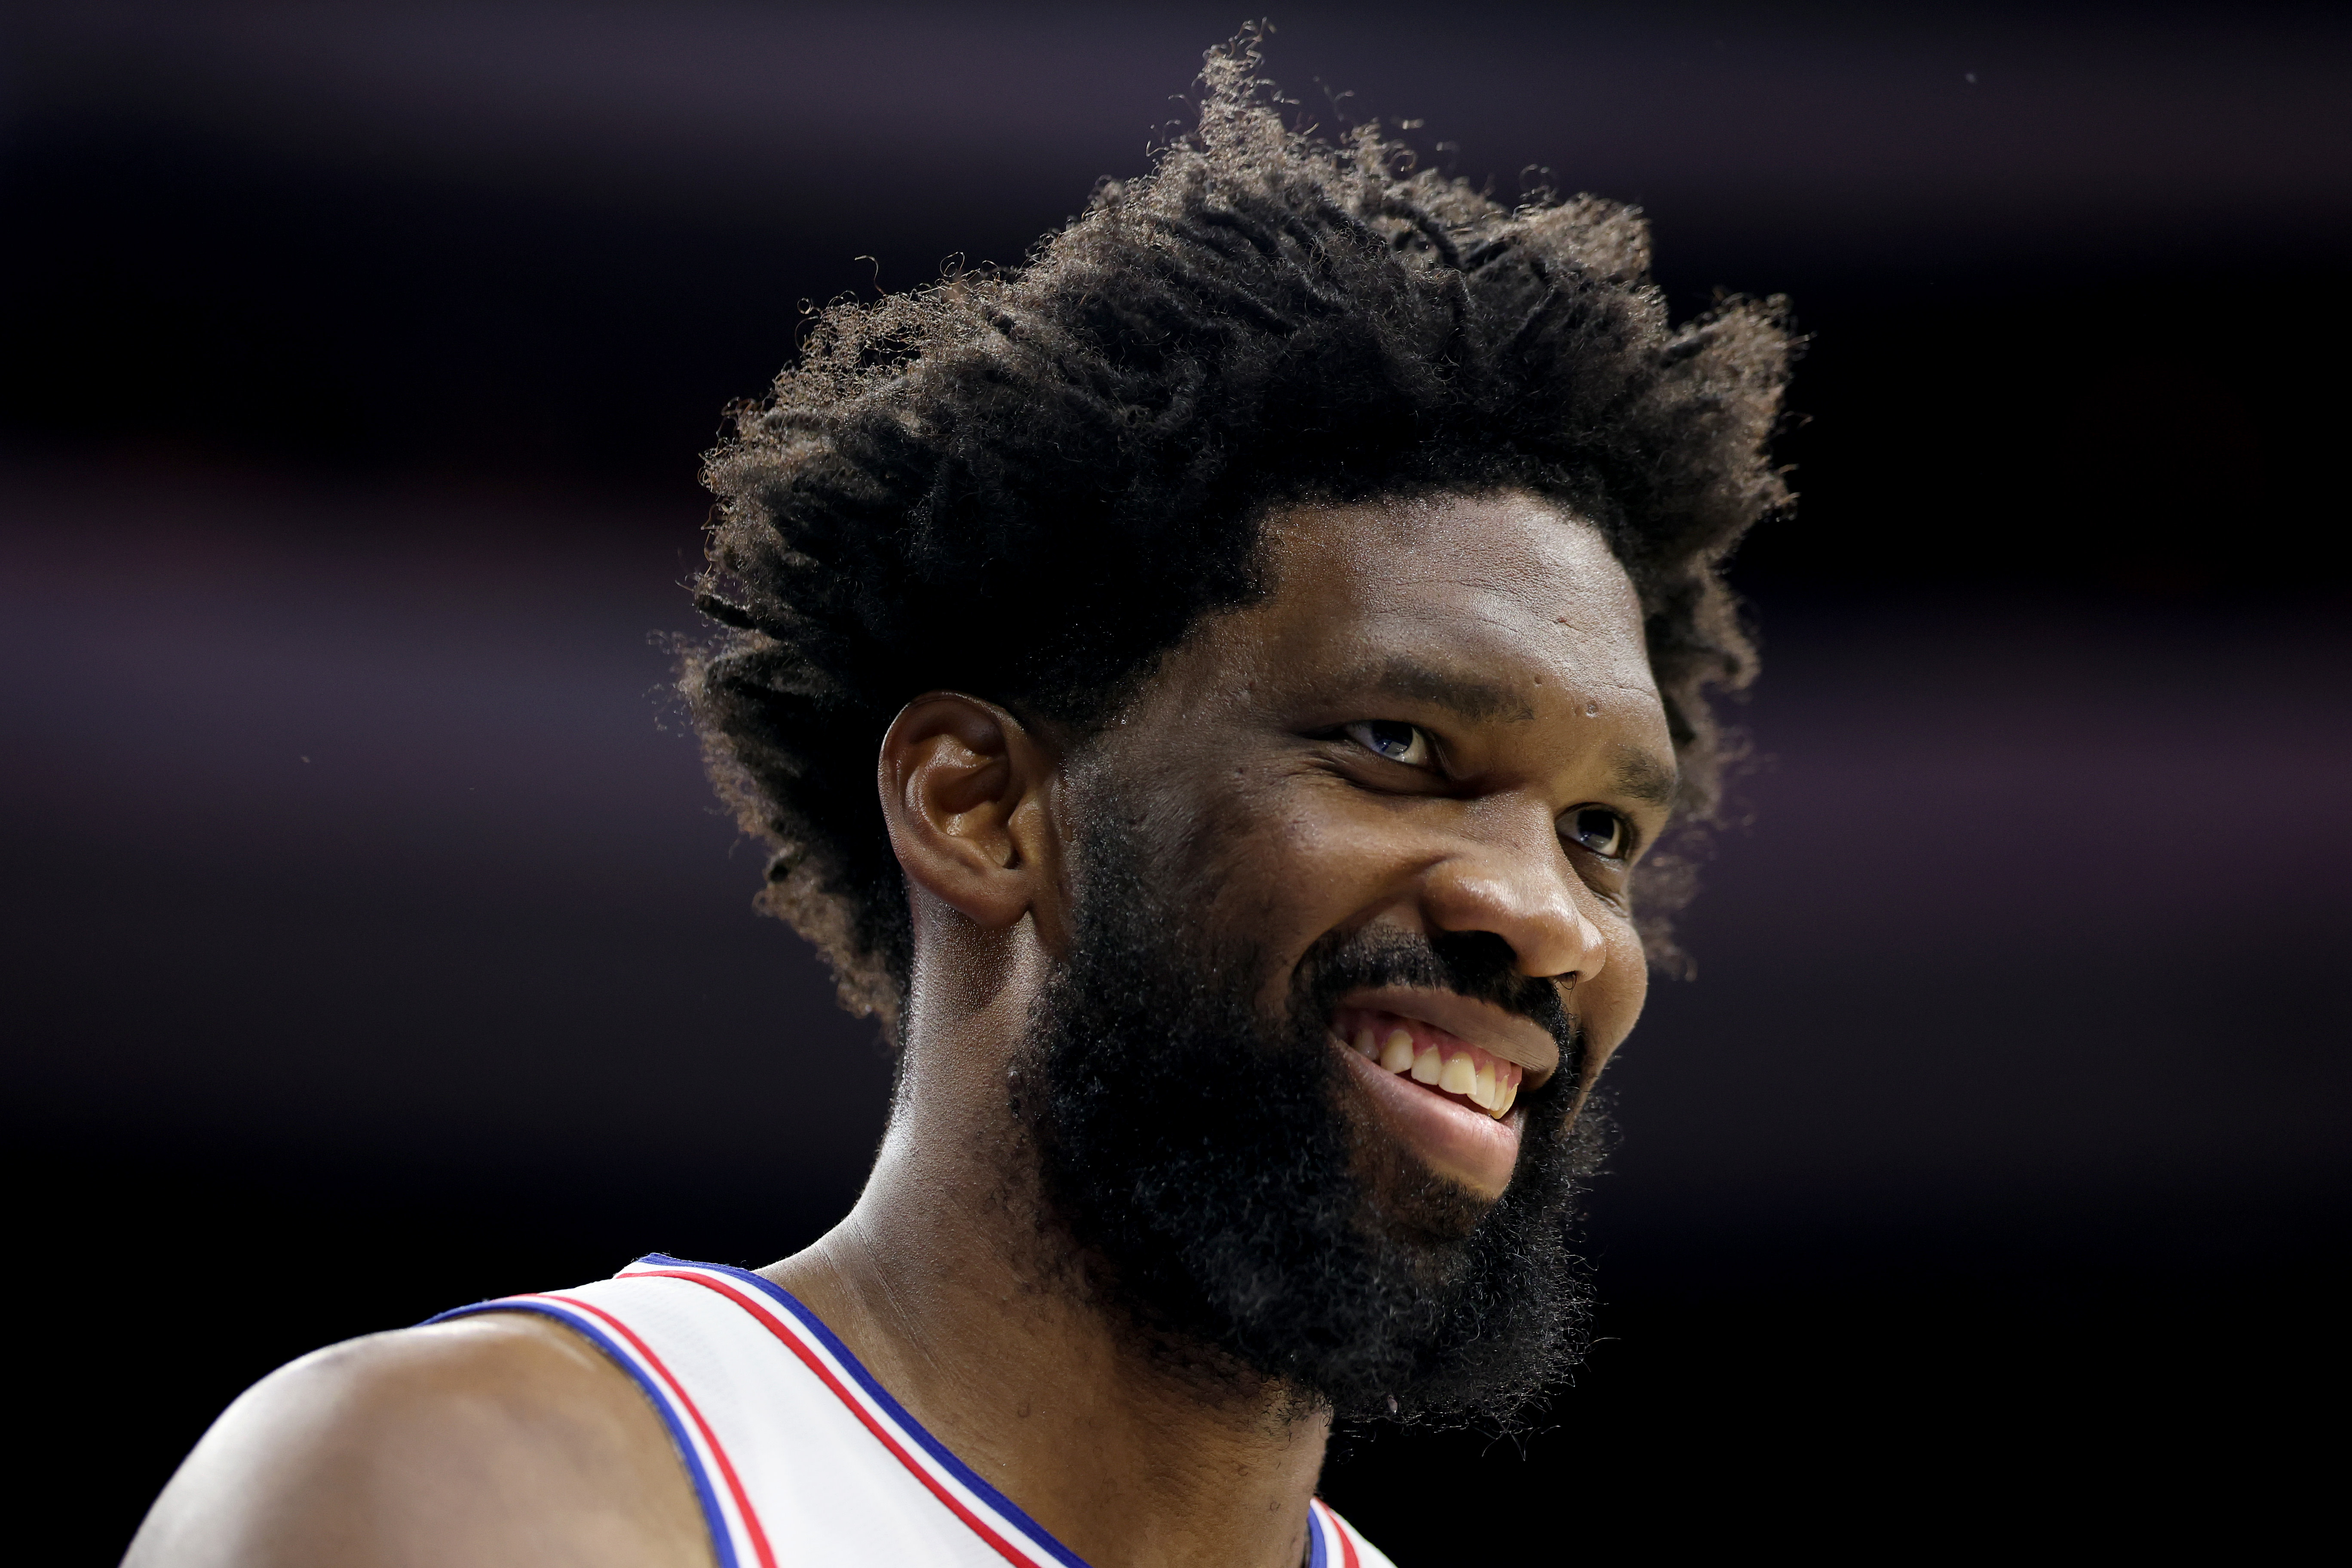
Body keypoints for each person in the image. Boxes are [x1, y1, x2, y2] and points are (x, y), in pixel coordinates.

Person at [124, 37, 1792, 1568]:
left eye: (1601, 834)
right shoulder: (487, 1488)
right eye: (1399, 745)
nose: (1550, 918)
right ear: (981, 807)